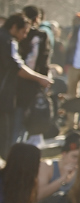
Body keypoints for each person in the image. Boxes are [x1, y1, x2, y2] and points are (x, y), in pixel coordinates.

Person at [0, 13, 53, 152]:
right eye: (23, 32)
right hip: (3, 96)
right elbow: (18, 68)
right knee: (4, 136)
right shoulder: (8, 41)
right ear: (14, 27)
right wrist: (40, 78)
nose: (24, 36)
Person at [15, 5, 53, 145]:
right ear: (37, 18)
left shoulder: (15, 36)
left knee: (16, 122)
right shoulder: (41, 37)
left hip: (15, 86)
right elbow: (43, 63)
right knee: (29, 121)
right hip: (33, 85)